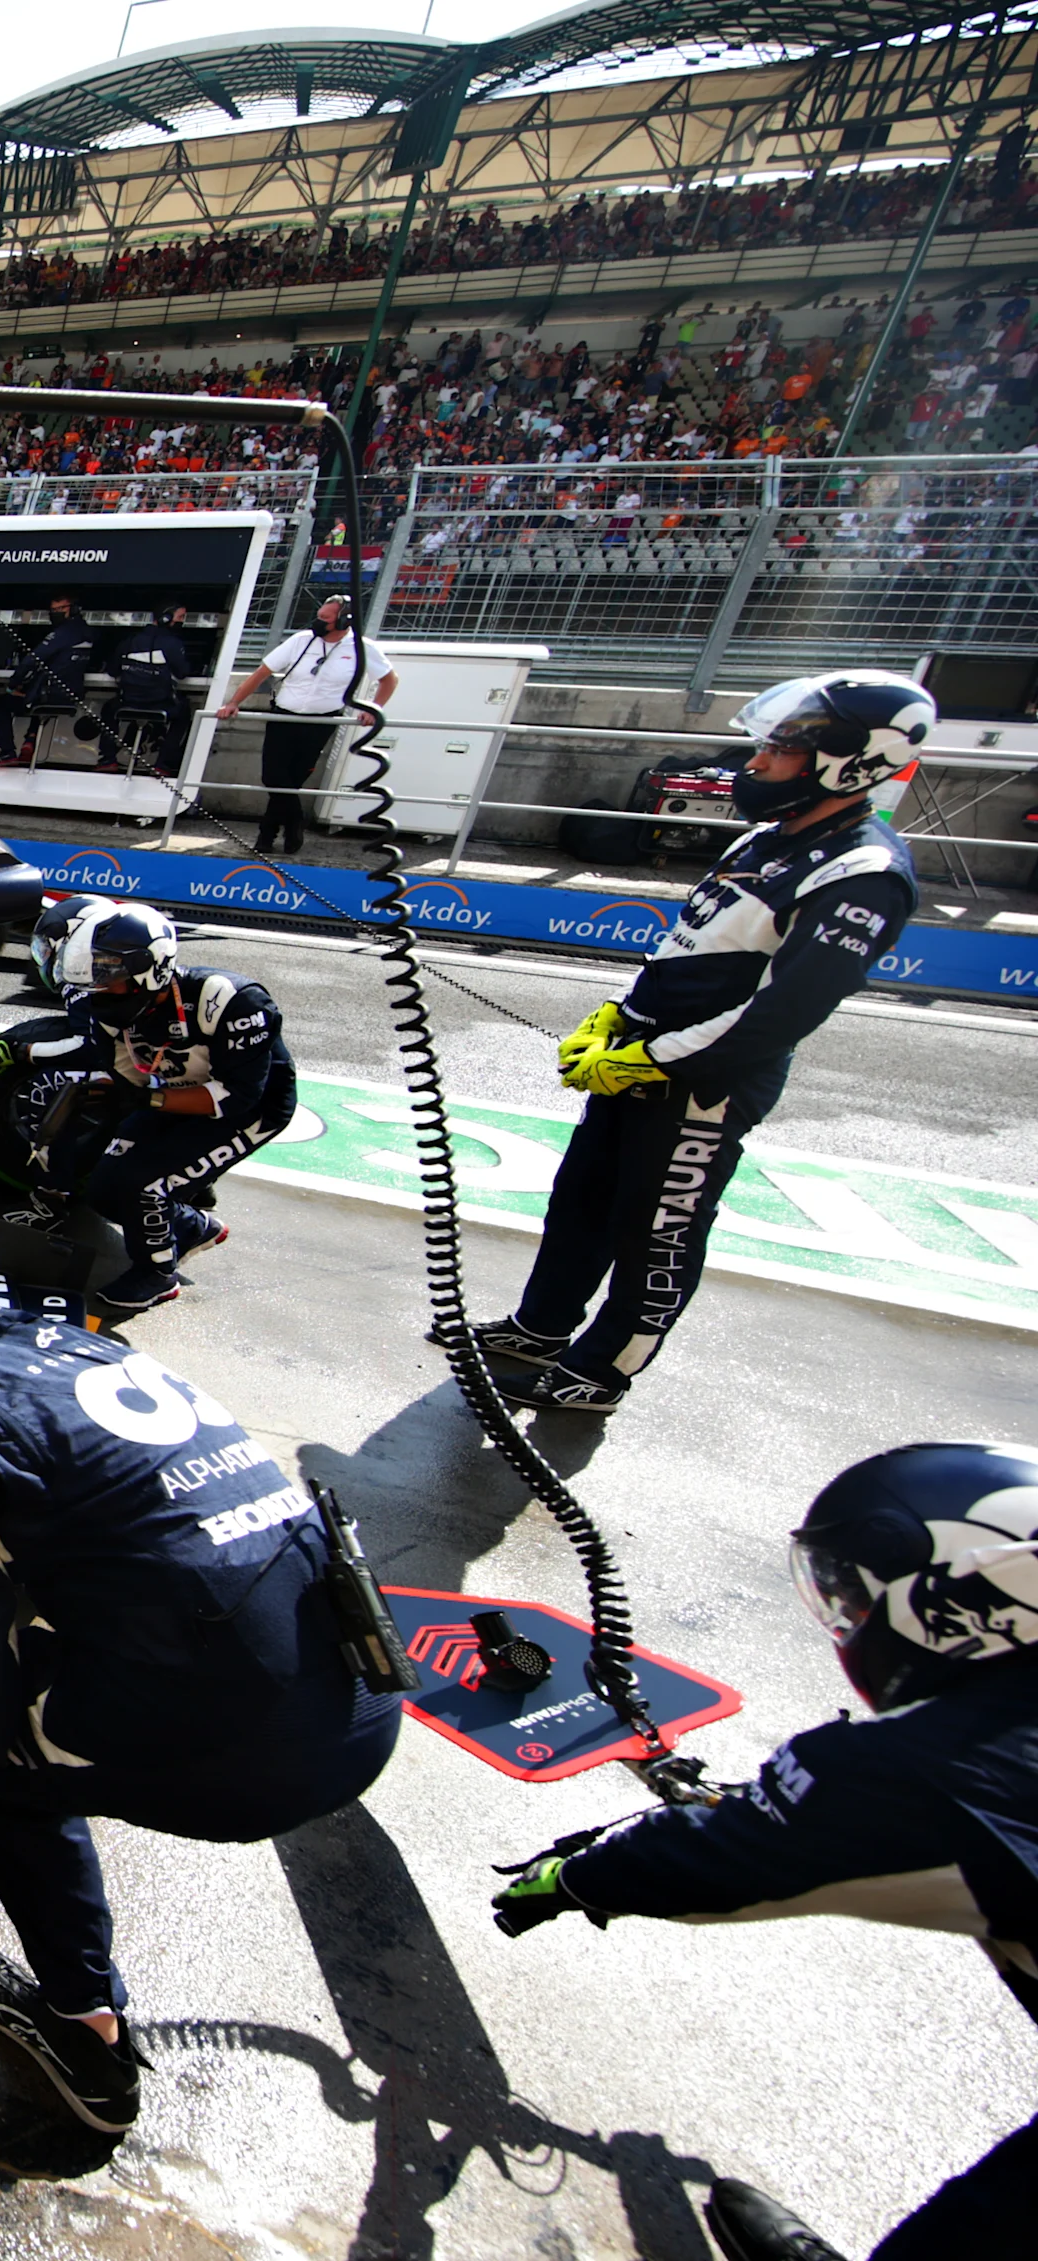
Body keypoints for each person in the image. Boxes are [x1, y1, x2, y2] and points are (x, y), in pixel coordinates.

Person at [0, 1157, 400, 2134]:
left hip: (265, 1752)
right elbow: (36, 1465)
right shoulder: (65, 1338)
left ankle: (87, 2047)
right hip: (352, 1688)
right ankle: (78, 2019)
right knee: (9, 1663)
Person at [490, 1441, 1038, 2260]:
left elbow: (714, 1862)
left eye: (852, 1597)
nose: (843, 1616)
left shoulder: (938, 1767)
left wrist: (573, 1875)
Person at [464, 670, 927, 1414]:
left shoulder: (863, 874)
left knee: (659, 1232)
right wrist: (615, 1018)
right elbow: (687, 946)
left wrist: (650, 1057)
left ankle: (600, 1373)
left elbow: (782, 1013)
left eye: (781, 748)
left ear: (852, 760)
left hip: (704, 1085)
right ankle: (541, 1328)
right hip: (640, 1062)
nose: (757, 761)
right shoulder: (764, 837)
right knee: (581, 1202)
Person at [12, 903, 290, 1317]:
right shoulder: (108, 1012)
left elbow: (236, 1097)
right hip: (173, 1093)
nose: (96, 984)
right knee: (105, 1189)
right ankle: (194, 1227)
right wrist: (108, 1098)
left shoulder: (231, 1001)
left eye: (107, 971)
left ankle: (158, 1274)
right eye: (92, 970)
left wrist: (148, 1100)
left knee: (145, 1185)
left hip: (250, 1107)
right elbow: (130, 1080)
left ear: (150, 969)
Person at [214, 595, 399, 858]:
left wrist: (373, 709)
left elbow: (389, 680)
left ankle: (267, 836)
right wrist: (234, 702)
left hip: (320, 721)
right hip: (284, 717)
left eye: (326, 618)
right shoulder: (301, 640)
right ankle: (294, 823)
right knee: (274, 778)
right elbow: (261, 673)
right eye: (319, 615)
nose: (318, 621)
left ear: (344, 620)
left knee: (293, 779)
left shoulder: (361, 647)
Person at [0, 594, 97, 767]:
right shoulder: (87, 631)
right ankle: (30, 740)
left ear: (74, 608)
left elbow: (33, 659)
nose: (56, 613)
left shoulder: (63, 633)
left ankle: (7, 752)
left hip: (51, 695)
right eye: (53, 610)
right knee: (36, 698)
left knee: (2, 703)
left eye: (61, 609)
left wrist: (13, 683)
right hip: (71, 695)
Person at [106, 605, 199, 778]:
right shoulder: (173, 644)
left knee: (109, 708)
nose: (182, 622)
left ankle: (107, 760)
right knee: (184, 712)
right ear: (166, 618)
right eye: (180, 617)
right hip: (160, 703)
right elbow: (182, 673)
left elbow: (112, 671)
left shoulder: (129, 641)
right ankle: (163, 765)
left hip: (127, 702)